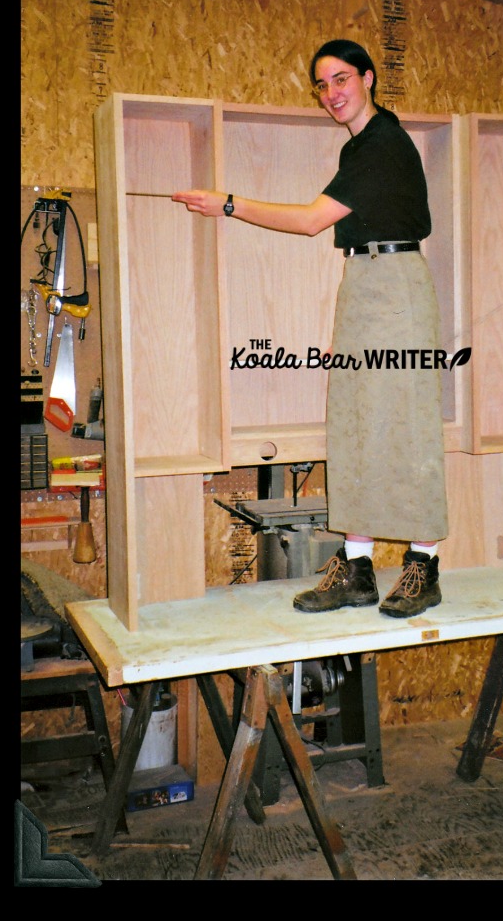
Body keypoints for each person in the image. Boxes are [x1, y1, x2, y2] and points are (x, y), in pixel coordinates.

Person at [172, 39, 448, 618]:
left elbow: (308, 222)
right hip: (368, 282)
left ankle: (423, 566)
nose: (332, 95)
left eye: (342, 80)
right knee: (351, 421)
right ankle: (358, 567)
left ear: (369, 78)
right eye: (322, 86)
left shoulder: (381, 145)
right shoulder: (364, 149)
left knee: (407, 421)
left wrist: (226, 203)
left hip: (395, 284)